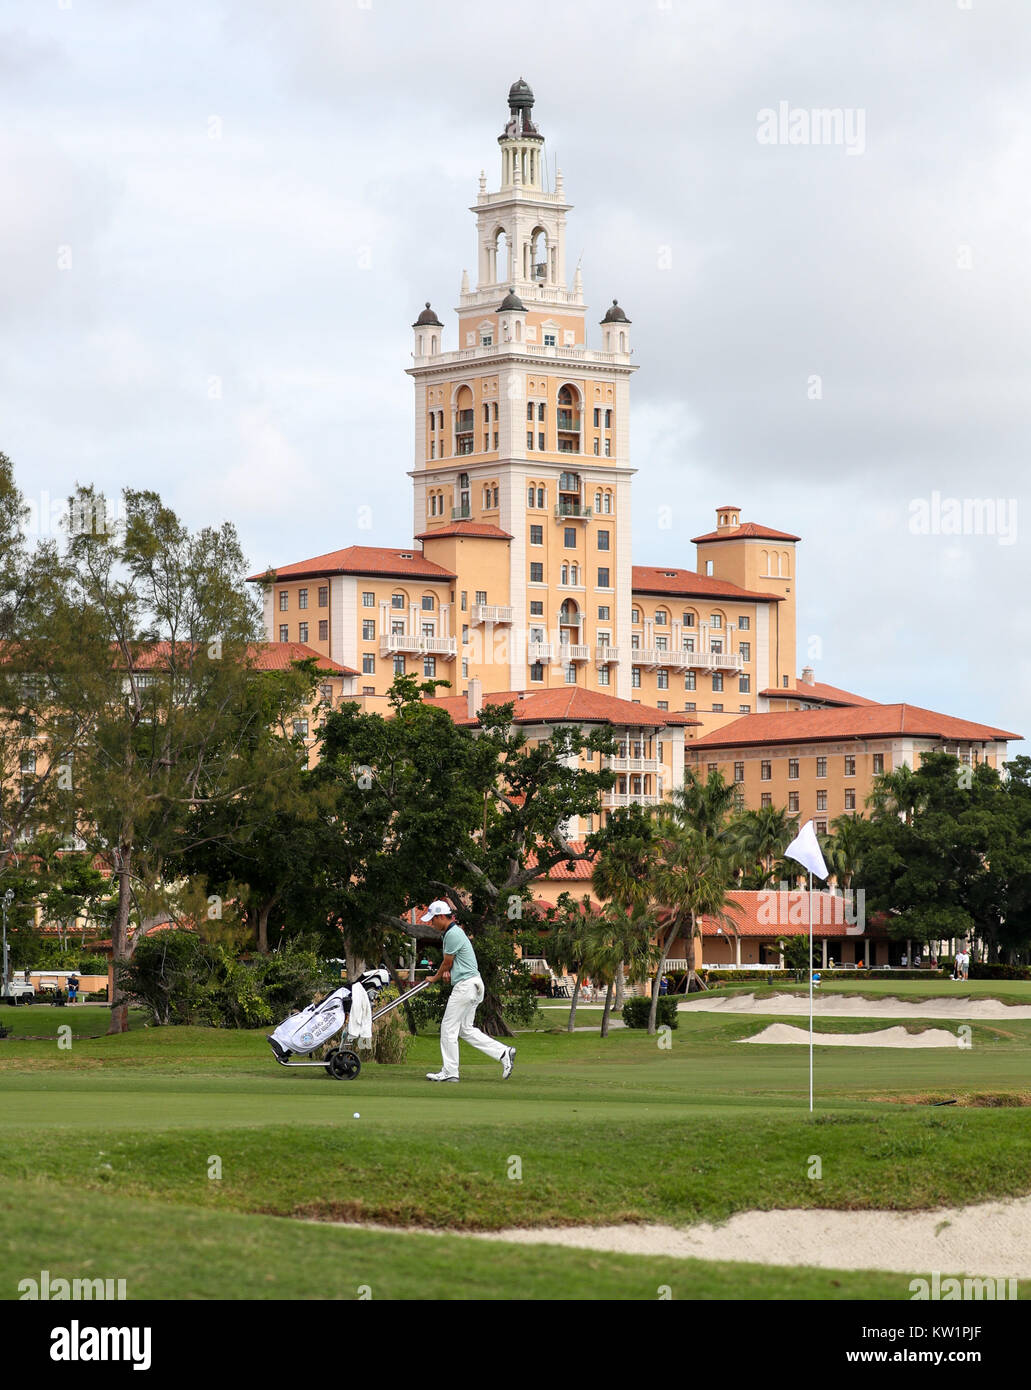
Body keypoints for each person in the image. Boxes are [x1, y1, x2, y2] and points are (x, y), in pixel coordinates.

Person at [420, 900, 515, 1084]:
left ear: (441, 917)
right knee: (465, 1029)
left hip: (465, 986)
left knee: (448, 1028)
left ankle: (450, 1071)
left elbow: (447, 962)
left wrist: (435, 978)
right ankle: (504, 1053)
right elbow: (454, 963)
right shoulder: (455, 932)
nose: (432, 924)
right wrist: (449, 972)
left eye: (433, 920)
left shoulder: (452, 934)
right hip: (474, 985)